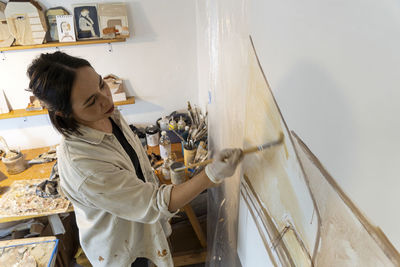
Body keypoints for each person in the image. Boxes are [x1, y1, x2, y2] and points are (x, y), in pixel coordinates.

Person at [27, 52, 243, 267]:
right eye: (91, 101)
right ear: (64, 114)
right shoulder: (84, 166)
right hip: (121, 250)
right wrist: (210, 176)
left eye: (101, 84)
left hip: (142, 226)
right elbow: (155, 204)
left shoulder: (107, 114)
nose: (106, 99)